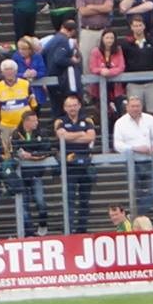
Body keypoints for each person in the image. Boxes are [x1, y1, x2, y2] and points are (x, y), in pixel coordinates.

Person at [56, 94, 97, 233]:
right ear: (64, 107)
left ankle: (81, 230)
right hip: (69, 166)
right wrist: (81, 134)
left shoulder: (87, 119)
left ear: (79, 106)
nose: (72, 108)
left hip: (85, 164)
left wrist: (71, 136)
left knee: (85, 201)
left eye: (74, 105)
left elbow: (91, 137)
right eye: (69, 106)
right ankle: (69, 230)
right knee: (70, 200)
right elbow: (62, 136)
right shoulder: (60, 121)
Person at [12, 109, 52, 236]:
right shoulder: (16, 134)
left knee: (40, 202)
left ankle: (43, 224)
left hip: (36, 174)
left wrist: (31, 155)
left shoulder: (41, 132)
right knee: (24, 205)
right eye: (33, 120)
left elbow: (46, 149)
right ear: (26, 122)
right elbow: (14, 151)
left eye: (36, 120)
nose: (36, 123)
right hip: (21, 175)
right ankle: (29, 231)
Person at [0, 59, 38, 144]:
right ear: (2, 72)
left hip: (24, 127)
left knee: (27, 147)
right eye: (6, 70)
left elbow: (33, 105)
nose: (9, 72)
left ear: (16, 71)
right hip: (6, 127)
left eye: (11, 69)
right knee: (7, 151)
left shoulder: (25, 84)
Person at [75, 0, 113, 73]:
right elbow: (83, 11)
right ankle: (88, 89)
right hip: (88, 32)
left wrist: (91, 7)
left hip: (104, 32)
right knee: (86, 60)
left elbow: (108, 8)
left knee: (106, 59)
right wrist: (101, 8)